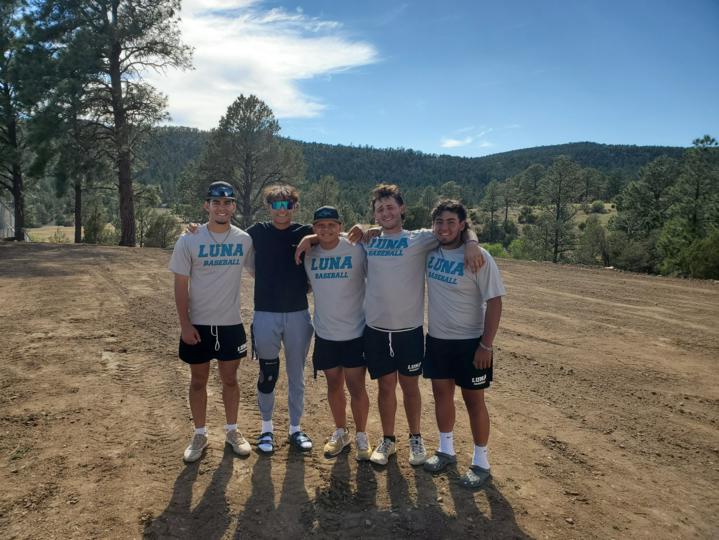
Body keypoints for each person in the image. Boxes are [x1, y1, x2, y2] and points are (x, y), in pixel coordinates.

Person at [346, 184, 484, 467]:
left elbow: (456, 229)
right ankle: (388, 440)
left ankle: (415, 438)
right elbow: (332, 236)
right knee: (385, 387)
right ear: (374, 214)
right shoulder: (368, 240)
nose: (386, 212)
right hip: (376, 329)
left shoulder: (420, 239)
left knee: (410, 387)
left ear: (402, 208)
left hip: (408, 330)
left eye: (390, 207)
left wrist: (471, 242)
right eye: (380, 209)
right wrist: (363, 227)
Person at [421, 199, 506, 489]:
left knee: (474, 402)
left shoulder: (479, 257)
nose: (444, 228)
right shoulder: (430, 251)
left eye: (451, 222)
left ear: (461, 225)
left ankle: (481, 463)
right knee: (441, 396)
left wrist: (486, 345)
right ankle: (446, 450)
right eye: (439, 222)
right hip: (437, 340)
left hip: (471, 343)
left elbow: (495, 302)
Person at [169, 181, 254, 463]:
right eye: (216, 202)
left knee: (230, 380)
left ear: (234, 206)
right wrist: (185, 324)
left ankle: (232, 431)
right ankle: (200, 434)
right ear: (207, 205)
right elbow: (180, 285)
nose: (222, 207)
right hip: (198, 324)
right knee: (198, 381)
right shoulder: (189, 240)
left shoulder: (244, 239)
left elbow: (263, 268)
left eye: (227, 202)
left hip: (230, 323)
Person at [247, 185, 315, 454]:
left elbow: (334, 235)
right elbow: (227, 235)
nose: (282, 210)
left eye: (287, 205)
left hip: (298, 314)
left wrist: (312, 238)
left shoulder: (304, 231)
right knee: (268, 373)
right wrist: (196, 230)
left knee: (296, 375)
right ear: (268, 207)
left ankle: (295, 429)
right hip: (265, 313)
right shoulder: (257, 232)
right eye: (276, 205)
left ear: (295, 207)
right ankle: (266, 429)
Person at [303, 206, 372, 460]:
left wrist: (365, 228)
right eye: (320, 226)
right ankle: (341, 432)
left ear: (340, 226)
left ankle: (362, 435)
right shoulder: (309, 254)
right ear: (314, 228)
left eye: (331, 225)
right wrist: (308, 240)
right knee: (334, 385)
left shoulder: (356, 249)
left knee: (356, 387)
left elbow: (379, 235)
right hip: (325, 333)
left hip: (355, 332)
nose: (326, 230)